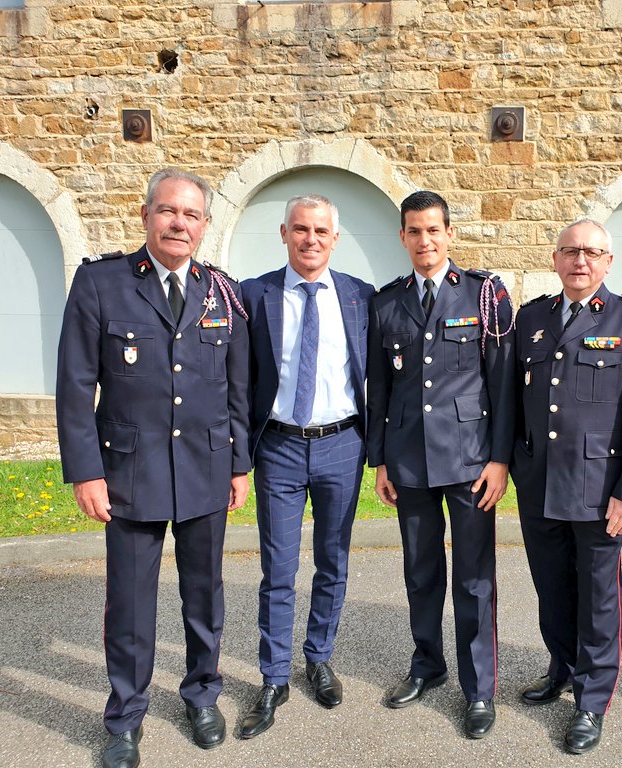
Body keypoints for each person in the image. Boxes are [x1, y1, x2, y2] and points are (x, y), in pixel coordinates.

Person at [56, 168, 251, 768]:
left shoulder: (225, 292)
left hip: (206, 468)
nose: (179, 224)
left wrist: (239, 466)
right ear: (146, 217)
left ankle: (201, 695)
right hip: (130, 473)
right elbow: (74, 386)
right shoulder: (101, 283)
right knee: (132, 604)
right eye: (169, 212)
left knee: (204, 596)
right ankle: (124, 716)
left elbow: (238, 389)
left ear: (205, 227)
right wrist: (86, 472)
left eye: (192, 216)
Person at [511, 219, 622, 754]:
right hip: (540, 485)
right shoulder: (531, 318)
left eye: (592, 252)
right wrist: (514, 464)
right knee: (551, 589)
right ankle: (561, 668)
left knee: (598, 599)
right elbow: (515, 402)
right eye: (570, 251)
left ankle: (592, 700)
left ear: (608, 262)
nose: (581, 261)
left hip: (600, 488)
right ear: (555, 258)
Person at [366, 190, 514, 739]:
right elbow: (379, 389)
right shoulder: (386, 303)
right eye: (413, 231)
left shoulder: (485, 295)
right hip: (408, 462)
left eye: (433, 230)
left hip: (471, 460)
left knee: (474, 579)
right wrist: (379, 460)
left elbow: (501, 384)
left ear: (449, 234)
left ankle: (479, 688)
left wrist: (499, 459)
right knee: (420, 572)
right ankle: (427, 664)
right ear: (402, 237)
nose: (424, 241)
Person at [237, 195, 374, 738]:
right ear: (284, 233)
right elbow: (237, 378)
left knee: (333, 561)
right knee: (279, 567)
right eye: (301, 229)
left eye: (321, 230)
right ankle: (274, 676)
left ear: (335, 239)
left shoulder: (360, 297)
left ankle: (319, 656)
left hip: (343, 443)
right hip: (279, 447)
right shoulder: (255, 295)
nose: (310, 239)